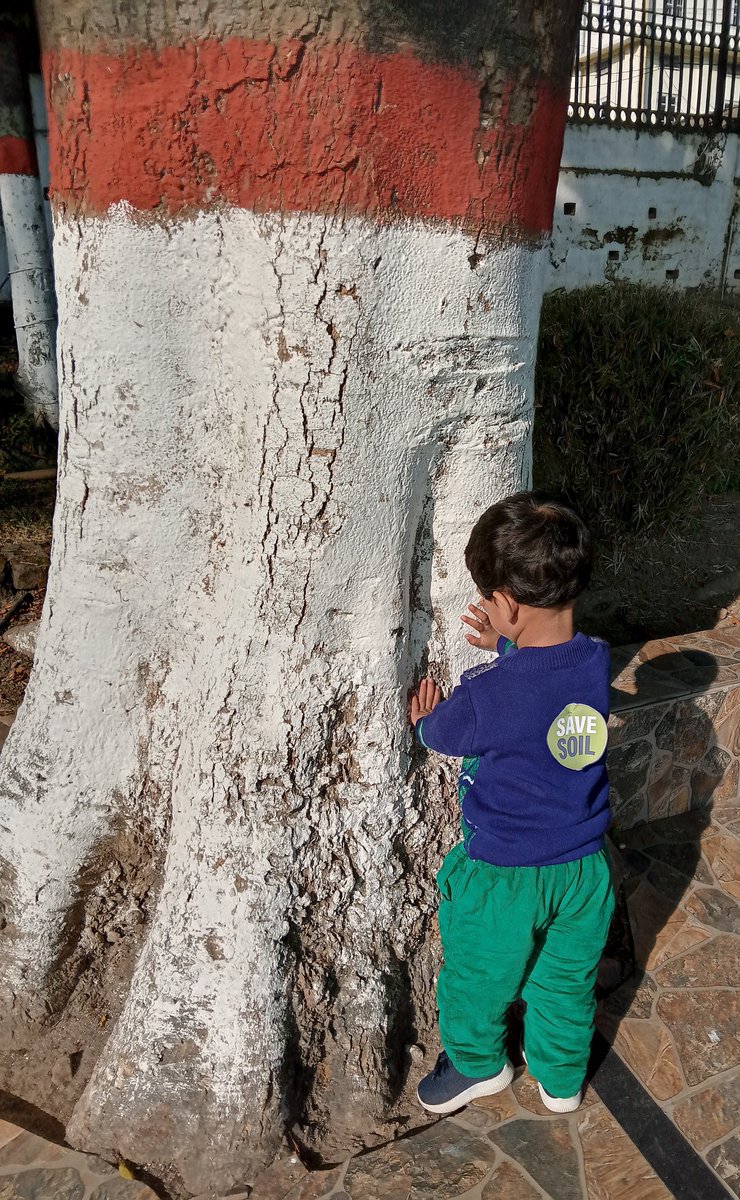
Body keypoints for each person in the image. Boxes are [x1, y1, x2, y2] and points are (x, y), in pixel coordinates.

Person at [410, 490, 615, 1116]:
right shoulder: (593, 662)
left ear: (505, 604)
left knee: (477, 979)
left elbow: (447, 733)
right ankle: (560, 1082)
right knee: (564, 983)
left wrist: (427, 720)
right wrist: (508, 643)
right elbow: (543, 690)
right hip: (584, 873)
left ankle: (478, 1066)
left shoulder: (485, 697)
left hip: (503, 876)